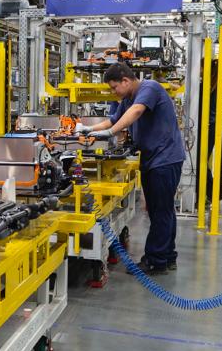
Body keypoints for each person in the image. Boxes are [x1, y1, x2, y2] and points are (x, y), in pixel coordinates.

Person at [77, 63, 186, 275]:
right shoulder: (127, 98)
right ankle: (167, 255)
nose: (113, 92)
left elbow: (136, 112)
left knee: (160, 211)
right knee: (161, 210)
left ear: (126, 81)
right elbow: (113, 120)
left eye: (114, 87)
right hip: (154, 159)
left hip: (165, 160)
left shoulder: (149, 88)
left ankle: (156, 260)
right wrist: (89, 129)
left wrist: (110, 134)